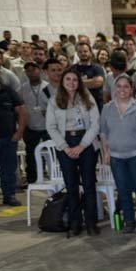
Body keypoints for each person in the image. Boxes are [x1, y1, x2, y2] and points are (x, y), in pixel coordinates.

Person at [46, 69, 100, 235]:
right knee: (71, 186)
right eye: (68, 79)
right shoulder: (54, 100)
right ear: (62, 81)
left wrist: (82, 146)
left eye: (75, 80)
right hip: (66, 145)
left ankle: (91, 222)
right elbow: (51, 127)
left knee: (89, 185)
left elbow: (95, 124)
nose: (71, 82)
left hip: (87, 143)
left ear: (79, 82)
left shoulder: (87, 97)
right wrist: (65, 147)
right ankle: (75, 223)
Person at [100, 75, 136, 233]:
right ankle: (129, 220)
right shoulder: (107, 108)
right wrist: (105, 153)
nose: (122, 89)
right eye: (119, 86)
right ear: (115, 89)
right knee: (122, 189)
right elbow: (103, 133)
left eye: (126, 86)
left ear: (132, 89)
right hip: (116, 157)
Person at [18, 61, 50, 185]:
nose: (31, 73)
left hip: (47, 126)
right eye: (28, 70)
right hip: (30, 126)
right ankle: (32, 178)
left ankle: (52, 174)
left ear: (40, 70)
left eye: (34, 69)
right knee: (31, 154)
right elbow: (19, 107)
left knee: (50, 152)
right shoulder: (22, 88)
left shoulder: (47, 87)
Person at [0, 73, 26, 206]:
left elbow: (21, 111)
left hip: (8, 138)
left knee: (8, 169)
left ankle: (9, 196)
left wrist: (19, 131)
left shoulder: (9, 91)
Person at [71, 42, 106, 110]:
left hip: (96, 106)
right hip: (77, 106)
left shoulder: (97, 67)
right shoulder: (72, 68)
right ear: (77, 53)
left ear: (90, 52)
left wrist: (77, 82)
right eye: (80, 52)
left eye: (85, 51)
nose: (83, 53)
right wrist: (89, 82)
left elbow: (98, 82)